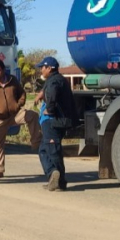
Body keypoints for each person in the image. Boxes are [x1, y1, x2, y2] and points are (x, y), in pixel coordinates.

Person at [0, 58, 42, 179]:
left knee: (32, 115)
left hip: (14, 114)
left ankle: (36, 143)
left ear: (3, 70)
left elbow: (22, 93)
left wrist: (19, 103)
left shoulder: (12, 80)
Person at [36, 56, 76, 191]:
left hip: (54, 122)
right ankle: (54, 176)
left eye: (42, 67)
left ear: (49, 68)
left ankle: (57, 178)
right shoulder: (57, 79)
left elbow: (52, 94)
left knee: (53, 151)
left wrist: (49, 110)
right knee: (43, 149)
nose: (41, 70)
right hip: (57, 121)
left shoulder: (53, 81)